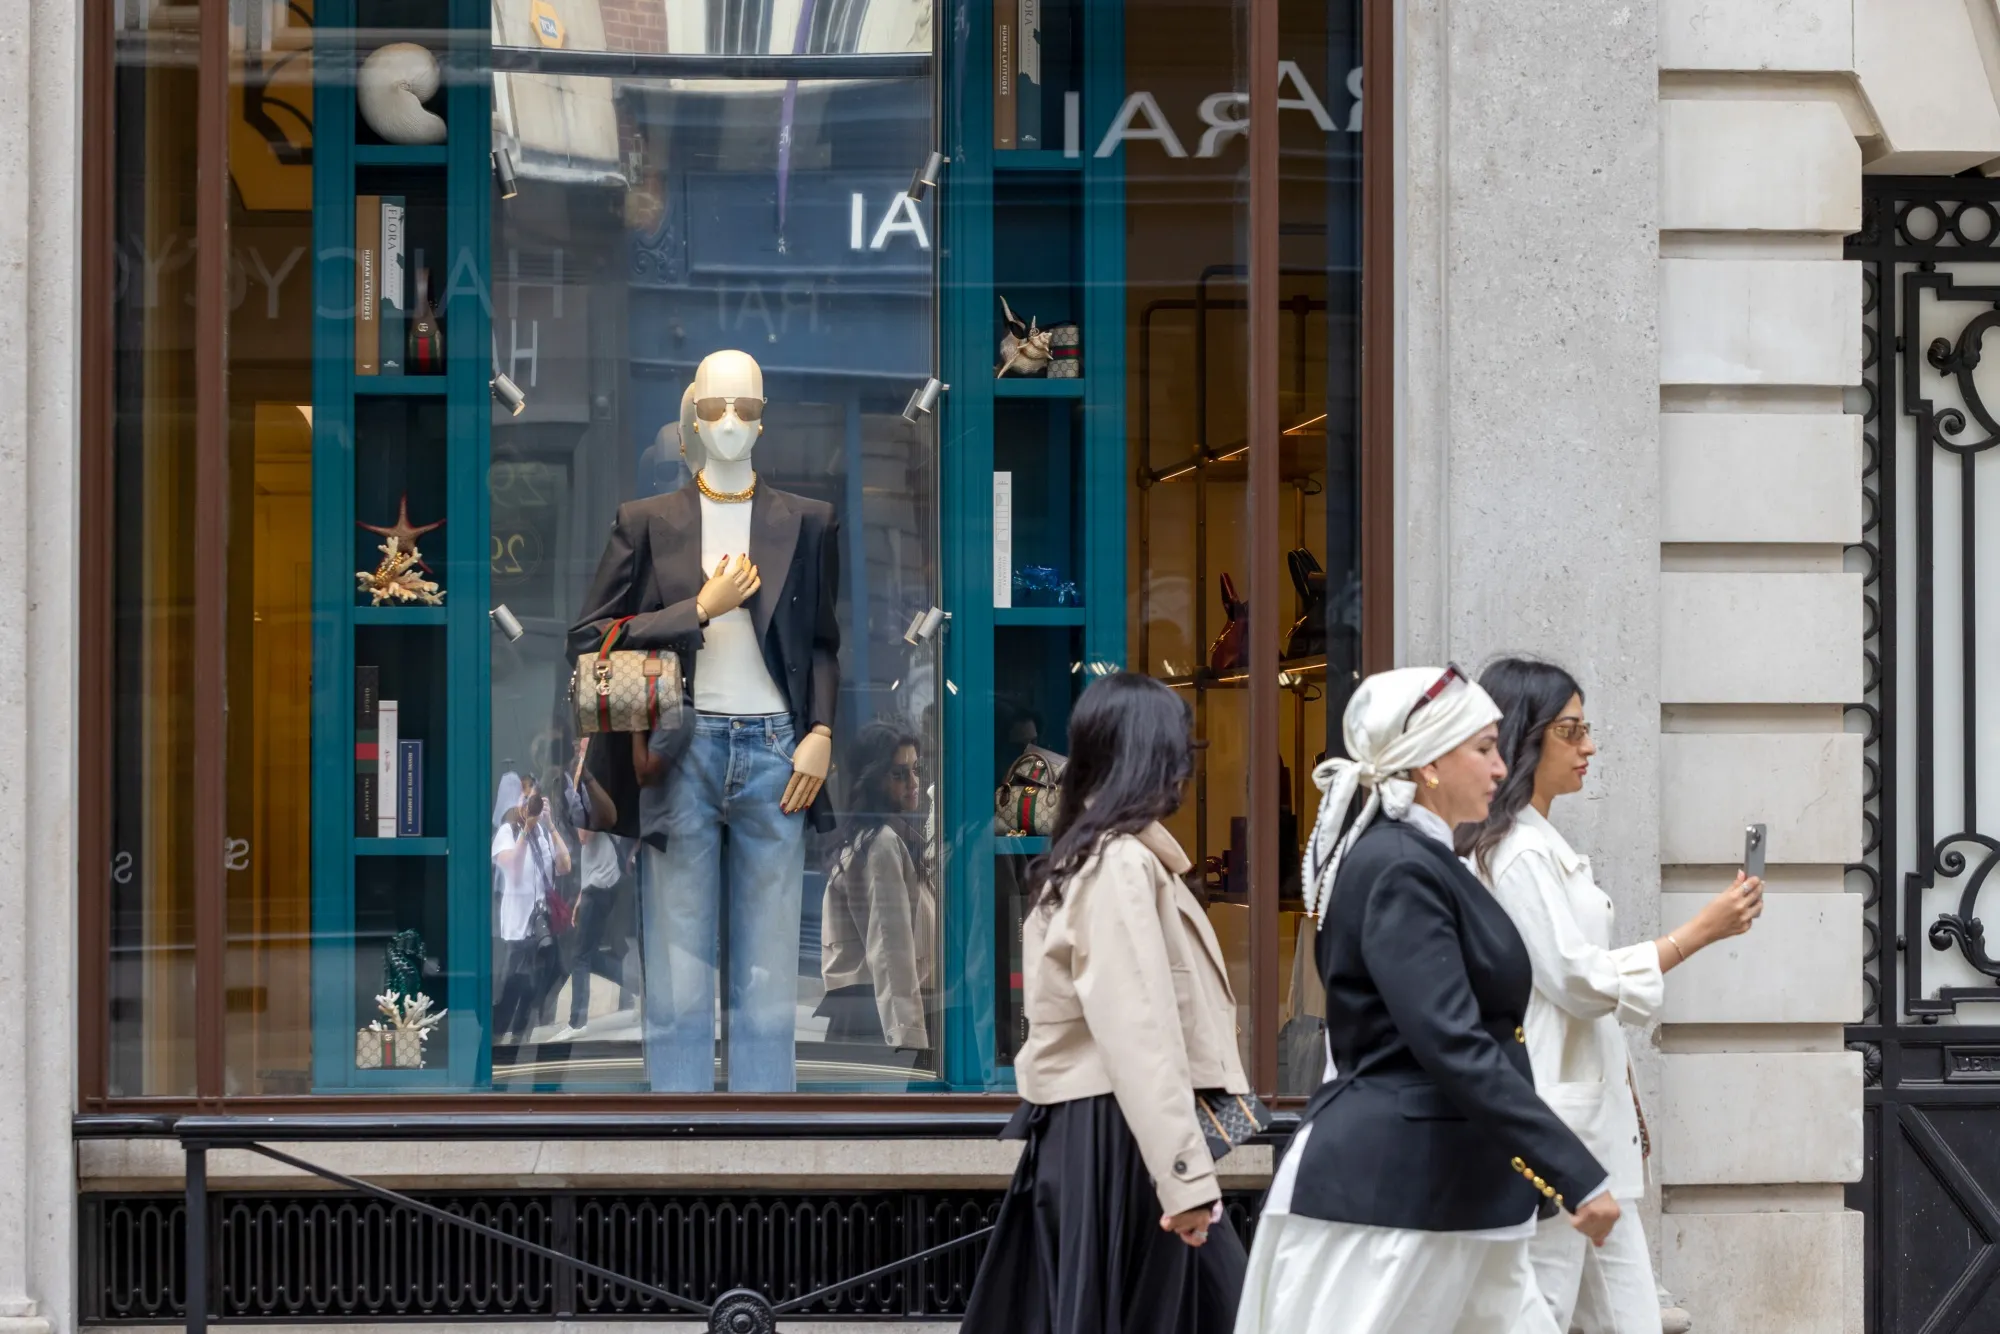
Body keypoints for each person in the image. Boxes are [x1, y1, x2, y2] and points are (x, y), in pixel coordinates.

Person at [1235, 666, 1618, 1334]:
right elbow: (1451, 1041)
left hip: (1451, 1188)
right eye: (1483, 748)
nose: (1502, 766)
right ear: (1430, 765)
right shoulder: (1401, 866)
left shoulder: (1424, 860)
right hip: (1394, 1191)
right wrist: (1570, 1169)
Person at [1456, 658, 1764, 1333]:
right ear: (1525, 738)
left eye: (1587, 729)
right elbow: (1576, 980)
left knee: (1631, 1321)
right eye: (1571, 730)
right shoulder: (1517, 855)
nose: (1589, 746)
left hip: (1593, 1132)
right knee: (1539, 1316)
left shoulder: (1539, 845)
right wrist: (1698, 934)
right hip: (1557, 1130)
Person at [962, 672, 1250, 1334]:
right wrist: (1182, 1178)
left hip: (1115, 1134)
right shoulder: (1121, 863)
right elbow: (1139, 1030)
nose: (1184, 769)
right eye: (1178, 750)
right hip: (1122, 1137)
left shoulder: (1107, 855)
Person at [818, 721, 937, 1051]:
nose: (914, 783)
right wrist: (907, 1037)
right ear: (872, 780)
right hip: (878, 1023)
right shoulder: (881, 844)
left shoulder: (889, 837)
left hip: (879, 1015)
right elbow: (890, 948)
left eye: (917, 769)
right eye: (898, 774)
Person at [491, 772, 572, 1045]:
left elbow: (564, 866)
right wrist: (525, 830)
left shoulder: (543, 832)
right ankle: (496, 1040)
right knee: (511, 987)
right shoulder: (507, 831)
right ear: (516, 803)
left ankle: (520, 1038)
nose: (530, 806)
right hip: (516, 924)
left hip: (541, 923)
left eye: (534, 799)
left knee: (539, 982)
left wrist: (550, 826)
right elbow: (510, 867)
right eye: (526, 799)